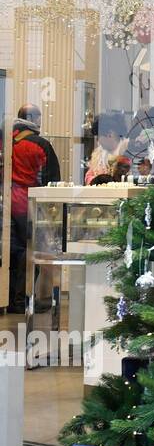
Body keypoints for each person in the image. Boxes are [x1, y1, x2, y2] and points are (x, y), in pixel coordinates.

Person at [8, 105, 61, 314]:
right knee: (30, 251)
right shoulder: (40, 145)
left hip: (7, 204)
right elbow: (51, 181)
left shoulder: (7, 141)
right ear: (33, 118)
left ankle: (10, 299)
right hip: (29, 205)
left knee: (12, 252)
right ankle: (23, 299)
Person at [85, 112, 127, 184]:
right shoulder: (98, 154)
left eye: (98, 137)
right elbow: (88, 176)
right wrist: (96, 180)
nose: (98, 141)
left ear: (110, 134)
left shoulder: (127, 151)